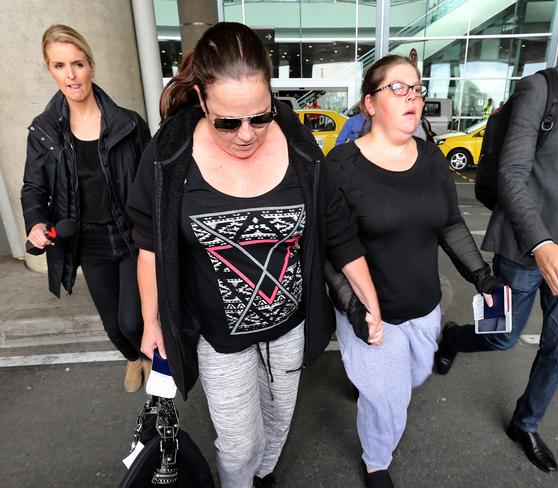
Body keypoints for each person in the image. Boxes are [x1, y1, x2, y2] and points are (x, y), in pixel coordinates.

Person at [127, 22, 381, 488]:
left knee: (278, 426)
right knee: (239, 444)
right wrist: (152, 320)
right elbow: (149, 245)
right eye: (228, 121)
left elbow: (339, 232)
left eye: (260, 117)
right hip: (218, 336)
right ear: (202, 100)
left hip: (290, 327)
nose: (247, 134)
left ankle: (262, 478)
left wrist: (370, 302)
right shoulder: (168, 156)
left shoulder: (302, 150)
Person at [435, 0, 558, 473]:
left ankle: (526, 423)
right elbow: (511, 174)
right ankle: (452, 338)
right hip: (527, 250)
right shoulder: (538, 89)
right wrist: (541, 243)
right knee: (502, 337)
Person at [325, 55, 500, 488]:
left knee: (415, 375)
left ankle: (369, 386)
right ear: (369, 103)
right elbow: (329, 251)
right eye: (398, 88)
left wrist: (482, 276)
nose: (413, 97)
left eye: (417, 89)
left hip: (424, 305)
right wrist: (352, 308)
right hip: (372, 313)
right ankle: (375, 461)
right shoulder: (341, 167)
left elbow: (451, 223)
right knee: (388, 400)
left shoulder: (432, 158)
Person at [21, 25, 151, 392]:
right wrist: (36, 222)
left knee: (131, 320)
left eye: (77, 63)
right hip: (88, 242)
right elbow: (33, 187)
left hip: (130, 236)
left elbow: (152, 182)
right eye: (60, 65)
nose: (71, 74)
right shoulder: (44, 131)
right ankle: (132, 358)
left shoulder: (129, 124)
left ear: (92, 65)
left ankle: (146, 353)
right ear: (50, 70)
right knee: (113, 325)